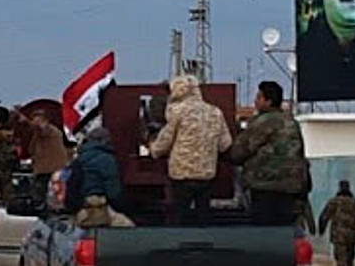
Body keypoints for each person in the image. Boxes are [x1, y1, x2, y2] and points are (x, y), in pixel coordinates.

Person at [150, 75, 232, 225]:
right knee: (203, 218)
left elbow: (165, 140)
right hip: (206, 174)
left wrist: (154, 149)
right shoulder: (215, 112)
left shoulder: (178, 111)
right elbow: (225, 144)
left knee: (180, 217)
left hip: (181, 174)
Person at [231, 81, 309, 226]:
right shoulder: (292, 122)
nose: (255, 101)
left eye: (259, 97)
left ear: (269, 101)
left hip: (265, 185)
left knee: (264, 229)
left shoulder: (262, 122)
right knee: (286, 229)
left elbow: (239, 152)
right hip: (292, 186)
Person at [65, 127, 133, 227]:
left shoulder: (79, 158)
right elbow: (113, 192)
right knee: (127, 226)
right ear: (105, 141)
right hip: (100, 207)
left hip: (81, 210)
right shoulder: (107, 159)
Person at [319, 180, 355, 266]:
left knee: (341, 259)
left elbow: (324, 217)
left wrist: (321, 229)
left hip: (338, 236)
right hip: (351, 237)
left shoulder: (334, 202)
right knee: (349, 260)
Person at [28, 109, 68, 208]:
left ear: (44, 120)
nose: (34, 122)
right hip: (46, 168)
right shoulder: (40, 133)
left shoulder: (49, 130)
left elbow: (43, 130)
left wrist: (26, 121)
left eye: (37, 119)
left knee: (45, 192)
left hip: (50, 169)